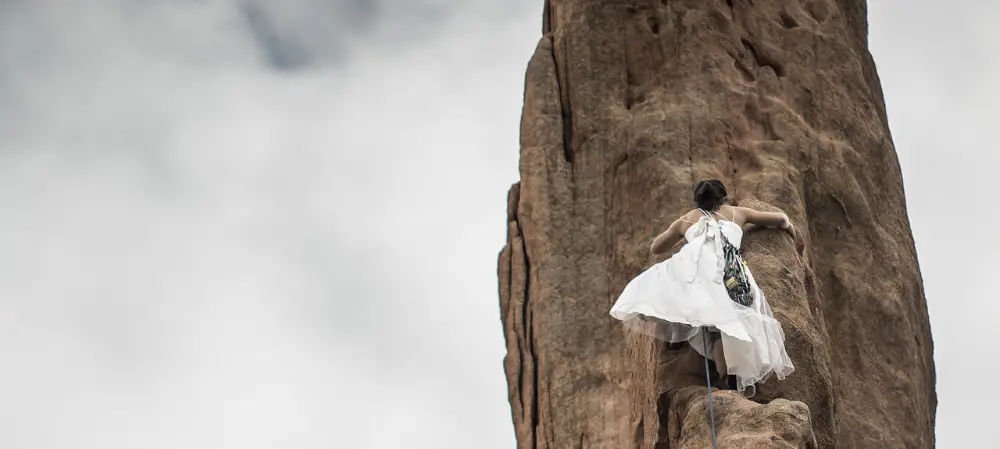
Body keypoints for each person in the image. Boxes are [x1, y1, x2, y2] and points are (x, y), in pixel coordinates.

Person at [609, 179, 795, 396]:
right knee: (729, 327)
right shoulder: (737, 213)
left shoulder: (688, 219)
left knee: (711, 327)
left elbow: (656, 247)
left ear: (697, 200)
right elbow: (781, 219)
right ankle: (732, 382)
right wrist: (790, 229)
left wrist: (682, 230)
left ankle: (717, 373)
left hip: (698, 274)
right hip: (729, 275)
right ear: (723, 197)